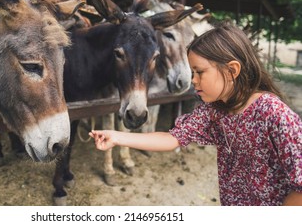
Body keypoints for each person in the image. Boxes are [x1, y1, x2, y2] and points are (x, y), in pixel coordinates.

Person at [89, 21, 302, 206]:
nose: (193, 80)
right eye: (193, 73)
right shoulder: (215, 111)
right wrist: (117, 137)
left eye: (199, 72)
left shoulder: (275, 115)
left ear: (232, 70)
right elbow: (173, 138)